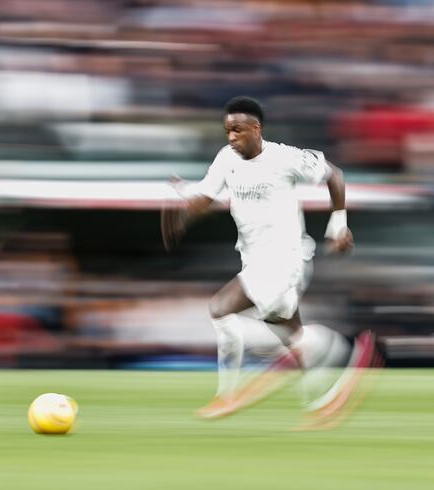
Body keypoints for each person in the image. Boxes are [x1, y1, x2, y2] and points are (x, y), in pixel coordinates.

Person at [162, 96, 377, 427]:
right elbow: (205, 197)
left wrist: (338, 224)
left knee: (221, 309)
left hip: (287, 259)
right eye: (227, 131)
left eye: (237, 130)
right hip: (254, 260)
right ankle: (336, 381)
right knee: (291, 335)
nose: (231, 137)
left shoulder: (284, 158)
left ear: (256, 128)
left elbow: (334, 174)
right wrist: (183, 212)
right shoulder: (225, 159)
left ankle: (227, 395)